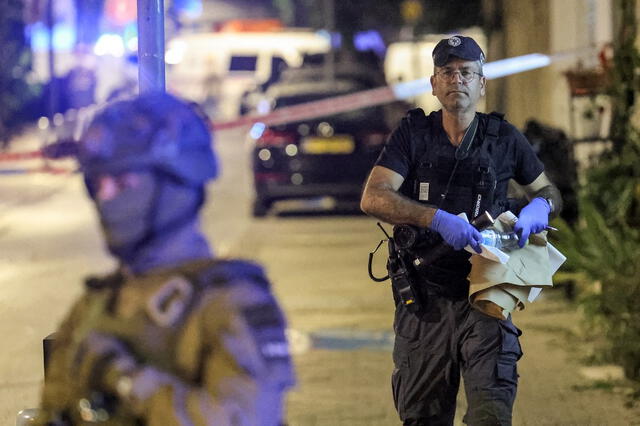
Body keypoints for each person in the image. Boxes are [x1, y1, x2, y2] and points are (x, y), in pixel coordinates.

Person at [35, 92, 295, 425]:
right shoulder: (95, 306)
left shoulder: (231, 303)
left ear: (176, 184)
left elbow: (244, 418)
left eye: (123, 181)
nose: (105, 197)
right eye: (97, 183)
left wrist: (127, 380)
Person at [360, 35, 562, 425]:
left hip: (486, 293)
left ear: (481, 83)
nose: (458, 80)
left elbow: (549, 191)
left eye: (467, 72)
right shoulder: (413, 135)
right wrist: (434, 219)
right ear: (434, 84)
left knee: (490, 415)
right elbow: (373, 198)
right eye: (447, 72)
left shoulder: (504, 138)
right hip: (425, 299)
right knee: (423, 417)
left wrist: (540, 206)